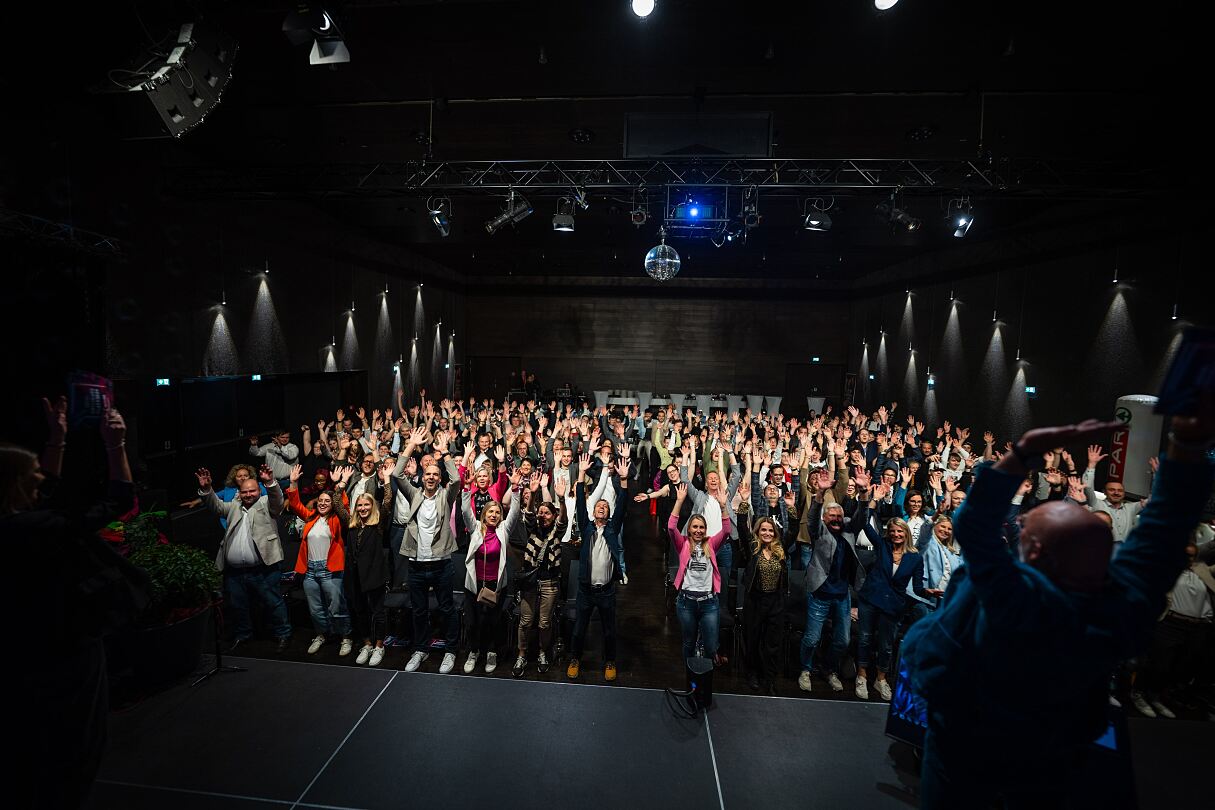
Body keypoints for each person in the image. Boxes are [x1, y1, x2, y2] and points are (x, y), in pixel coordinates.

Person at [902, 409, 1215, 810]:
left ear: (1033, 550)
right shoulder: (1118, 605)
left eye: (1028, 525)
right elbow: (1162, 536)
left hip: (968, 750)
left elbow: (975, 524)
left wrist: (1022, 453)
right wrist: (1188, 450)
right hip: (1056, 756)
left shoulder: (1013, 597)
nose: (1018, 526)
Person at [8, 399, 148, 809]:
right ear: (17, 487)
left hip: (22, 652)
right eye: (32, 475)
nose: (42, 475)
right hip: (61, 652)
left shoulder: (21, 523)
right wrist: (115, 445)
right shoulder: (39, 528)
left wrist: (58, 439)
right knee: (72, 752)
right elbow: (119, 500)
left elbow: (45, 489)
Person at [196, 463, 292, 653]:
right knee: (238, 605)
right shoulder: (234, 506)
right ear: (239, 492)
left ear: (259, 490)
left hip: (263, 569)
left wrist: (271, 482)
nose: (249, 494)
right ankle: (243, 635)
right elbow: (216, 507)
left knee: (273, 603)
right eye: (245, 491)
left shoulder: (266, 503)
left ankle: (283, 634)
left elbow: (277, 501)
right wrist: (207, 489)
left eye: (252, 491)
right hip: (235, 572)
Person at [394, 427, 464, 675]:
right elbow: (396, 474)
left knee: (447, 609)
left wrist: (445, 453)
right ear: (423, 476)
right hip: (416, 565)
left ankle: (450, 651)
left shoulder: (446, 496)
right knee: (419, 610)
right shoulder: (414, 494)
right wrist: (411, 445)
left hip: (441, 565)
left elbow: (456, 480)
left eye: (436, 474)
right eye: (428, 473)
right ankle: (420, 649)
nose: (432, 477)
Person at [798, 467, 871, 692]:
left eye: (839, 516)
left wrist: (863, 493)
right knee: (811, 639)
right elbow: (812, 518)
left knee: (843, 641)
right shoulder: (819, 532)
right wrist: (819, 494)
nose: (837, 519)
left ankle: (828, 669)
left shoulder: (849, 531)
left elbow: (862, 516)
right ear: (825, 519)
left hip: (842, 596)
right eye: (832, 516)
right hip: (819, 594)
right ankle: (806, 669)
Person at [853, 485, 924, 701]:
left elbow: (918, 587)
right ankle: (862, 675)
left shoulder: (915, 557)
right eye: (892, 531)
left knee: (885, 645)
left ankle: (881, 679)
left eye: (900, 531)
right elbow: (865, 523)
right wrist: (871, 500)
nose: (896, 534)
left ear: (906, 534)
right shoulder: (882, 545)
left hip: (893, 606)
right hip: (870, 599)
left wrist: (930, 592)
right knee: (864, 639)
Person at [567, 453, 629, 682]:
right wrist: (581, 473)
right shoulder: (587, 528)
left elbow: (622, 504)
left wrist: (623, 479)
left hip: (607, 592)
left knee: (609, 631)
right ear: (594, 513)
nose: (602, 507)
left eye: (605, 506)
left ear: (609, 513)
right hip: (585, 591)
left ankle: (610, 662)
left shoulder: (613, 529)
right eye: (599, 505)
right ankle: (575, 659)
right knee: (579, 630)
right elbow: (581, 506)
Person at [286, 464, 354, 656]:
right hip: (310, 571)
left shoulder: (337, 520)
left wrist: (341, 483)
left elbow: (344, 505)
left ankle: (345, 637)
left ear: (332, 504)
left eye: (327, 501)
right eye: (321, 500)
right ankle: (322, 634)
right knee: (316, 610)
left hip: (330, 570)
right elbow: (294, 503)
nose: (323, 503)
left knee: (336, 608)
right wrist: (293, 482)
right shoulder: (310, 518)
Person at [460, 469, 524, 674]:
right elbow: (464, 512)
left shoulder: (504, 530)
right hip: (474, 584)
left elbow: (514, 512)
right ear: (484, 514)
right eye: (490, 512)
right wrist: (466, 488)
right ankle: (474, 652)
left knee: (493, 623)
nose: (494, 515)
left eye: (497, 512)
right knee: (472, 623)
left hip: (496, 586)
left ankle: (491, 653)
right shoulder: (475, 528)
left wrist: (515, 489)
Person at [668, 482, 732, 665]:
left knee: (711, 646)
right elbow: (672, 527)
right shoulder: (683, 545)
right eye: (694, 527)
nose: (698, 530)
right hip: (686, 602)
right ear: (689, 529)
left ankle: (705, 670)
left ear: (705, 530)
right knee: (688, 643)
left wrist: (722, 506)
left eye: (701, 527)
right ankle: (691, 678)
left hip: (709, 603)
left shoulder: (711, 544)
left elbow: (727, 530)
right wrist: (679, 501)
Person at [514, 476, 569, 677]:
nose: (543, 515)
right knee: (526, 621)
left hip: (550, 582)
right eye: (541, 512)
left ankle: (543, 652)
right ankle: (521, 654)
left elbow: (563, 520)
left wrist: (561, 500)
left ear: (553, 515)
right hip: (530, 582)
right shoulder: (533, 528)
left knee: (544, 622)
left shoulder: (557, 532)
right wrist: (533, 494)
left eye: (547, 512)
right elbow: (528, 514)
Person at [345, 472, 394, 666]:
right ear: (356, 508)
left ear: (372, 507)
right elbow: (339, 505)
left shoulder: (378, 524)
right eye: (360, 505)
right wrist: (340, 484)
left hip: (374, 576)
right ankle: (366, 643)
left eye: (367, 504)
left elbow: (388, 501)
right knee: (360, 611)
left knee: (378, 612)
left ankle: (379, 646)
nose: (363, 508)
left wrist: (388, 480)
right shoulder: (352, 525)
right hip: (355, 576)